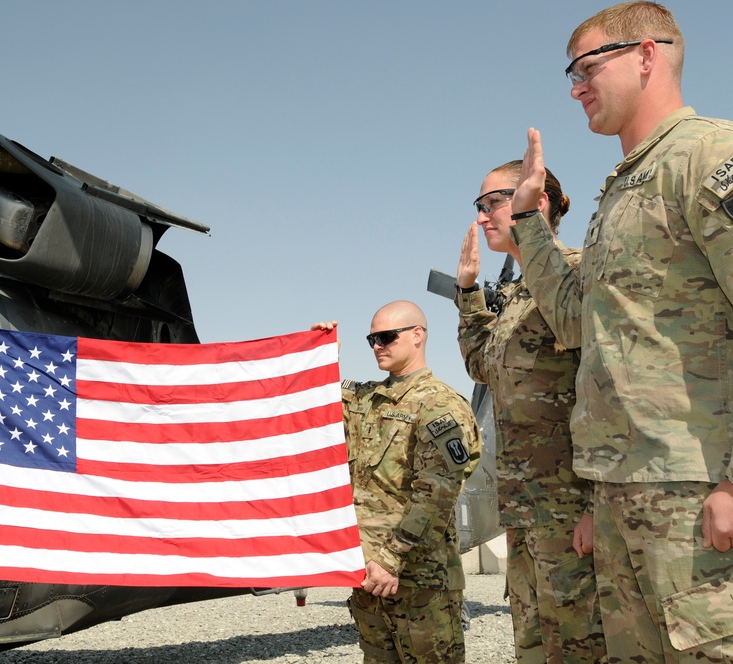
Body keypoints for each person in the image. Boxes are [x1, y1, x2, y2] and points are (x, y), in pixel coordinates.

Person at [509, 2, 733, 660]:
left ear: (647, 55)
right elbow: (579, 322)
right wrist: (529, 226)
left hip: (696, 495)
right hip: (622, 497)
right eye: (569, 73)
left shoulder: (709, 156)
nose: (576, 85)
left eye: (587, 66)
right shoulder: (620, 192)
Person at [455, 161, 605, 663]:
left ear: (536, 200)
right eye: (478, 207)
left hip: (573, 513)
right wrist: (469, 294)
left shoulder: (578, 275)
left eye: (491, 202)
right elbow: (482, 367)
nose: (482, 218)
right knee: (536, 650)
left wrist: (594, 505)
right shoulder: (518, 298)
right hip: (524, 515)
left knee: (583, 648)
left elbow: (609, 389)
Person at [314, 301, 481, 663]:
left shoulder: (439, 405)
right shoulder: (366, 400)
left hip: (419, 581)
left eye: (387, 337)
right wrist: (319, 357)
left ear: (417, 336)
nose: (377, 346)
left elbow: (436, 496)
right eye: (372, 338)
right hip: (368, 579)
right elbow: (313, 404)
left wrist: (391, 560)